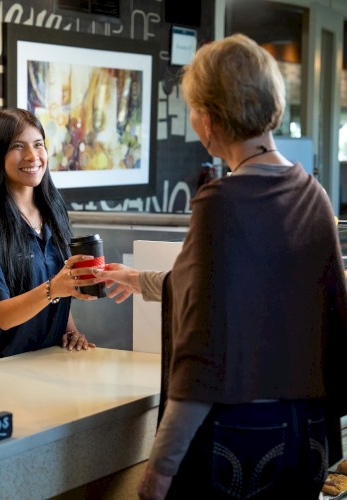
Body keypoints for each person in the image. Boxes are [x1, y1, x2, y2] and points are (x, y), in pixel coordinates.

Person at [86, 34, 347, 499]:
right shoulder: (313, 195)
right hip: (307, 441)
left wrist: (159, 473)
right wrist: (139, 281)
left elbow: (201, 353)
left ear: (208, 118)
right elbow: (241, 291)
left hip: (239, 444)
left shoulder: (221, 203)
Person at [0, 108, 100, 365]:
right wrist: (55, 287)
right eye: (18, 146)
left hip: (46, 361)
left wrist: (70, 331)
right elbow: (3, 316)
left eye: (38, 145)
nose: (32, 156)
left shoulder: (55, 214)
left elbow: (59, 289)